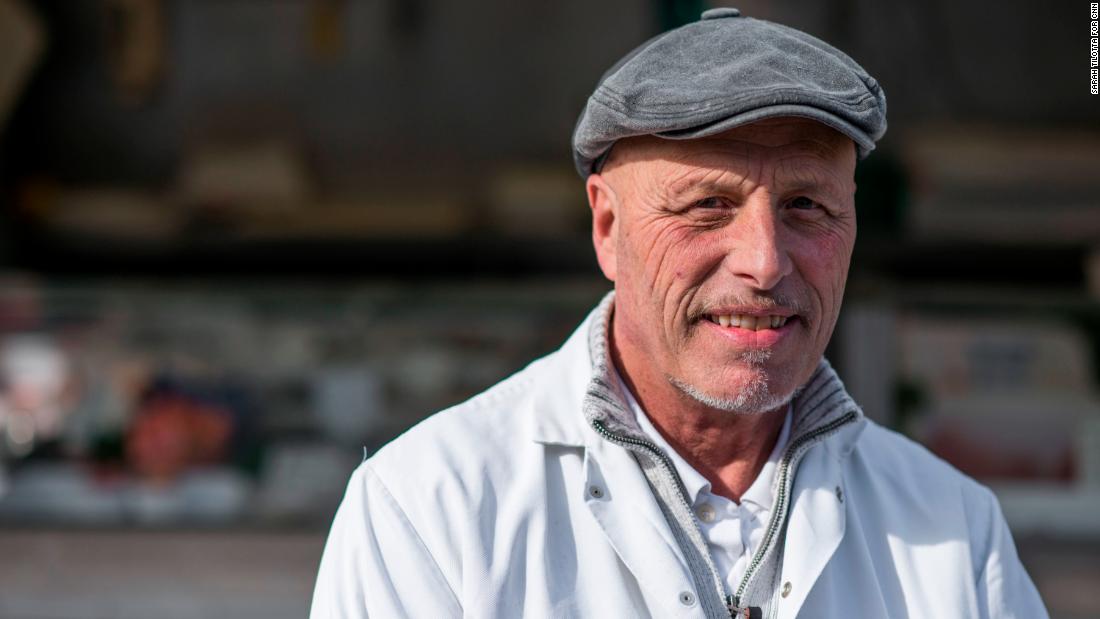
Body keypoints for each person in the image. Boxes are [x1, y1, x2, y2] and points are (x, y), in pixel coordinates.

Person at [311, 8, 1048, 618]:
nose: (764, 261)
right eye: (708, 206)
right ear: (607, 227)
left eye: (806, 206)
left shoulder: (954, 533)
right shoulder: (430, 511)